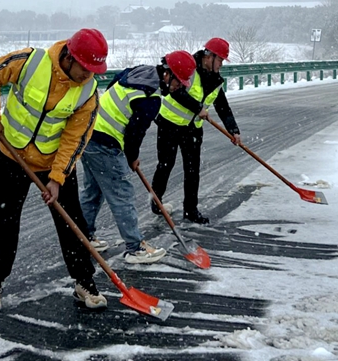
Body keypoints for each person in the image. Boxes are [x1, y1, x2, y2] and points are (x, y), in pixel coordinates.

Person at [0, 28, 108, 314]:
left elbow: (76, 138)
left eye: (93, 70)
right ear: (70, 57)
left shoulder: (88, 93)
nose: (88, 75)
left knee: (71, 221)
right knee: (6, 220)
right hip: (11, 156)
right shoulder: (30, 62)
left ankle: (84, 281)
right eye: (85, 68)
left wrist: (57, 178)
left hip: (52, 164)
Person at [79, 51, 197, 264]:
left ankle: (83, 237)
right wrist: (132, 157)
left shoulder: (138, 71)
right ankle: (135, 248)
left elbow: (113, 85)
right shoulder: (151, 97)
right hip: (106, 143)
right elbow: (135, 134)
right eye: (178, 82)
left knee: (94, 191)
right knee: (122, 194)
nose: (179, 87)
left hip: (87, 133)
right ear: (167, 74)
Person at [152, 37, 241, 224]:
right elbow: (175, 90)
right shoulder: (188, 67)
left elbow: (222, 106)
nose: (221, 65)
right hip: (169, 124)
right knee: (166, 165)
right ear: (209, 56)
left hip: (192, 130)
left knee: (192, 171)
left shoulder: (216, 80)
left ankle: (190, 210)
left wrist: (233, 130)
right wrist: (197, 107)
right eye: (221, 60)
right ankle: (156, 200)